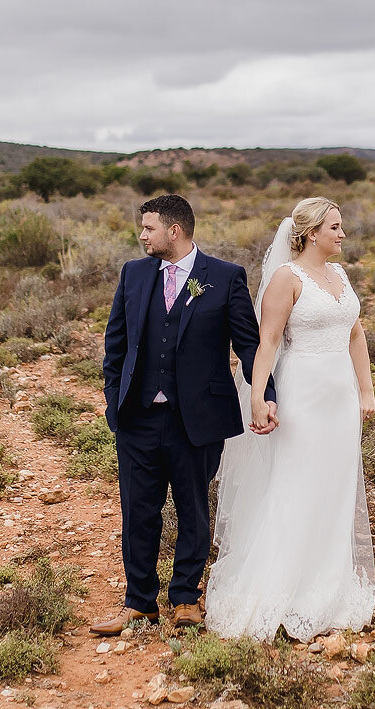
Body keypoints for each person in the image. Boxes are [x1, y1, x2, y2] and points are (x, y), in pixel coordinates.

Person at [89, 194, 275, 636]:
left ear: (174, 231)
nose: (141, 236)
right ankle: (139, 603)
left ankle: (186, 599)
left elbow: (248, 345)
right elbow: (115, 343)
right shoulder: (134, 273)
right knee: (138, 512)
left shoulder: (225, 277)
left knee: (193, 509)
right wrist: (114, 399)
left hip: (198, 419)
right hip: (136, 418)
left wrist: (265, 394)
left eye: (148, 228)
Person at [205, 196, 375, 641]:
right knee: (296, 484)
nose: (342, 234)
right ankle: (282, 589)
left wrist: (366, 389)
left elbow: (355, 333)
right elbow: (269, 342)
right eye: (335, 227)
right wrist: (258, 395)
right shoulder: (287, 278)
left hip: (340, 398)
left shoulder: (339, 274)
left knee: (336, 487)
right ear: (311, 233)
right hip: (303, 395)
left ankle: (327, 586)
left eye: (341, 226)